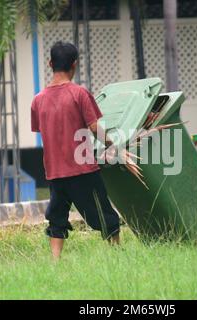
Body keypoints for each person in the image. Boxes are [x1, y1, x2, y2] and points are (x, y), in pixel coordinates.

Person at [31, 41, 120, 261]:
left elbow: (41, 130)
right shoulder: (79, 93)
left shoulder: (37, 100)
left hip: (54, 172)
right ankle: (118, 256)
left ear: (50, 63)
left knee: (57, 217)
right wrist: (110, 144)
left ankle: (55, 261)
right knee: (104, 214)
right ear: (75, 65)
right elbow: (92, 127)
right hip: (82, 170)